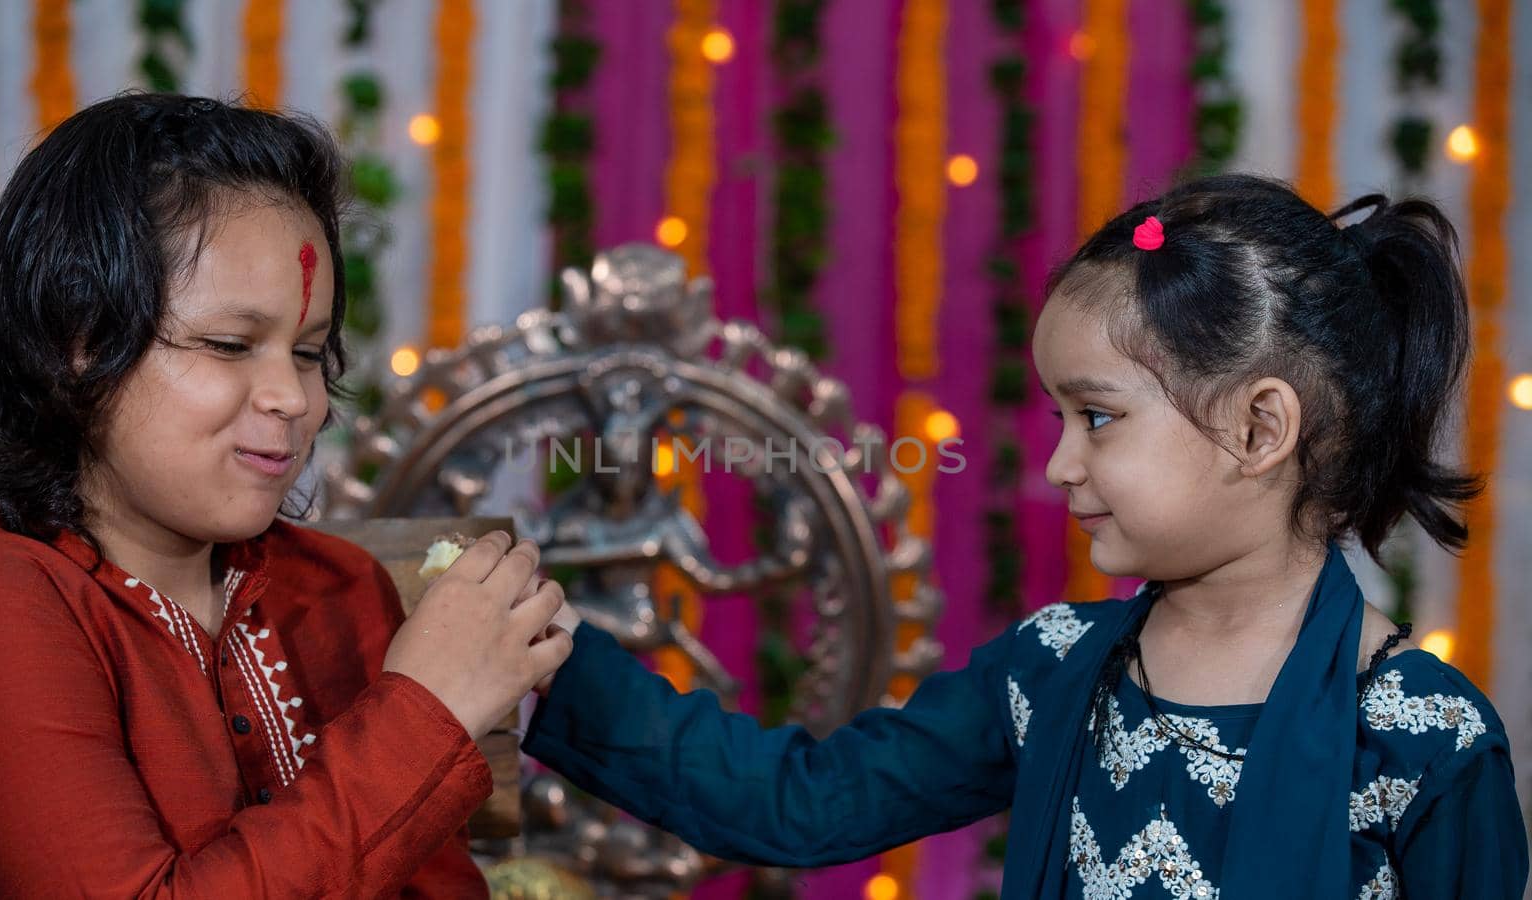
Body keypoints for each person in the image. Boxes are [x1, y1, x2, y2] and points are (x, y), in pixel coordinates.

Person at [522, 174, 1529, 898]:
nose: (1058, 465)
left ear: (1256, 429)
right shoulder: (1051, 672)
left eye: (1096, 418)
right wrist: (544, 662)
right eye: (1056, 421)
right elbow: (801, 804)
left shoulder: (1418, 735)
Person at [0, 93, 572, 898]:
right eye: (231, 345)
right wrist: (427, 710)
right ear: (80, 346)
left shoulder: (339, 589)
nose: (294, 399)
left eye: (307, 353)